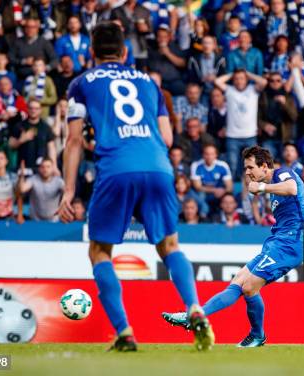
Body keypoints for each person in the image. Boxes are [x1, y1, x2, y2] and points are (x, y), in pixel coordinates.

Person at [58, 22, 213, 352]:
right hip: (158, 165)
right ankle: (196, 309)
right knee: (170, 245)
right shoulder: (148, 83)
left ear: (91, 53)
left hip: (117, 168)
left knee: (100, 251)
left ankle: (124, 332)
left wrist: (68, 191)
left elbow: (73, 141)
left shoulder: (81, 83)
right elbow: (169, 138)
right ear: (125, 53)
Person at [163, 146, 304, 348]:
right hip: (279, 240)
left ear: (264, 166)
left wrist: (262, 188)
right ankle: (197, 315)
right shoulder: (272, 187)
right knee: (240, 280)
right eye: (246, 168)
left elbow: (292, 187)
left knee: (250, 287)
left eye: (250, 167)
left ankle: (253, 334)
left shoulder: (282, 173)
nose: (248, 172)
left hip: (294, 241)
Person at [214, 69, 267, 180]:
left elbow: (263, 82)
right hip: (232, 135)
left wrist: (248, 73)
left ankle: (250, 192)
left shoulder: (253, 89)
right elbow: (217, 81)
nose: (239, 81)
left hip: (250, 135)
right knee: (232, 166)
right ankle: (231, 193)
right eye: (236, 78)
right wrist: (232, 74)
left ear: (246, 79)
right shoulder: (229, 90)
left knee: (251, 166)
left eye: (242, 78)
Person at [9, 100, 57, 174]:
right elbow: (11, 145)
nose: (33, 111)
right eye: (31, 108)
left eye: (36, 108)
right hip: (23, 167)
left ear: (40, 110)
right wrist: (21, 140)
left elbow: (51, 148)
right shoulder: (19, 126)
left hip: (42, 169)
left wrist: (54, 166)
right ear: (27, 109)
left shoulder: (46, 127)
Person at [190, 143, 233, 211]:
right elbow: (197, 187)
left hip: (220, 192)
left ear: (216, 155)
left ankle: (224, 218)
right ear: (203, 155)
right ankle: (202, 217)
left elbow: (229, 187)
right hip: (203, 192)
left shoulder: (223, 165)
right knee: (200, 196)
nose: (209, 156)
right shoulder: (196, 165)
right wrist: (214, 190)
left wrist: (223, 191)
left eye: (212, 154)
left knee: (228, 198)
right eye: (207, 154)